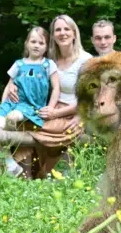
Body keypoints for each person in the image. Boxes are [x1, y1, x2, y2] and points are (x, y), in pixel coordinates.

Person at [10, 15, 93, 179]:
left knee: (35, 128)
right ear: (53, 36)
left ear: (74, 33)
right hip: (49, 109)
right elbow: (26, 74)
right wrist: (13, 84)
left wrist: (63, 113)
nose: (62, 33)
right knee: (25, 122)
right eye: (58, 30)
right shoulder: (50, 59)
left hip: (74, 113)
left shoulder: (86, 60)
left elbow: (90, 97)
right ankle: (22, 177)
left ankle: (42, 174)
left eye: (66, 29)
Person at [0, 26, 60, 177]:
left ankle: (9, 146)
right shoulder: (18, 64)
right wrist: (2, 106)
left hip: (31, 106)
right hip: (11, 103)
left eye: (41, 43)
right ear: (27, 43)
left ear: (46, 47)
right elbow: (9, 86)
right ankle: (8, 161)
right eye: (33, 41)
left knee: (13, 118)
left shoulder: (48, 65)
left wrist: (51, 107)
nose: (36, 45)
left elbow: (56, 88)